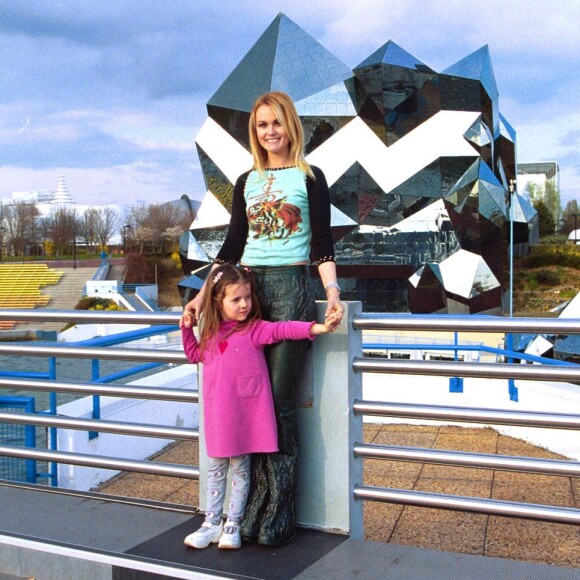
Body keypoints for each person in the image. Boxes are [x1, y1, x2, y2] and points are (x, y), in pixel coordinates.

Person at [181, 90, 344, 546]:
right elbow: (232, 246)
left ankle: (278, 512)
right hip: (247, 290)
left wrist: (331, 291)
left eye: (276, 123)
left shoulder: (311, 178)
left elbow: (323, 245)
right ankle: (243, 510)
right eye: (261, 126)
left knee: (278, 398)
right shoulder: (245, 181)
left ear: (291, 125)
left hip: (292, 286)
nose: (269, 132)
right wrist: (201, 297)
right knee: (248, 400)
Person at [181, 264, 339, 550]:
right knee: (216, 470)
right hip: (219, 418)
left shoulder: (254, 330)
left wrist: (320, 327)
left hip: (244, 419)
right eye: (236, 299)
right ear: (218, 302)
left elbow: (285, 329)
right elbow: (194, 355)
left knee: (241, 469)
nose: (244, 305)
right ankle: (211, 522)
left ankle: (233, 524)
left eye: (248, 298)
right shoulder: (210, 336)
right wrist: (186, 327)